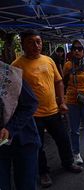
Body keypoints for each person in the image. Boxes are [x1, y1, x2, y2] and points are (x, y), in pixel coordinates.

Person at [12, 29, 82, 188]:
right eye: (31, 42)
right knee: (38, 145)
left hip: (54, 111)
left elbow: (59, 82)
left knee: (63, 139)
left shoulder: (48, 61)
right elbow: (12, 92)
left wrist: (62, 102)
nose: (36, 45)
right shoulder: (16, 66)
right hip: (32, 115)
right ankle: (43, 172)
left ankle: (68, 162)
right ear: (23, 45)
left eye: (38, 41)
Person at [0, 61, 40, 190]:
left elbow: (30, 103)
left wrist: (10, 129)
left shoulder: (10, 75)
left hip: (23, 140)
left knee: (25, 184)